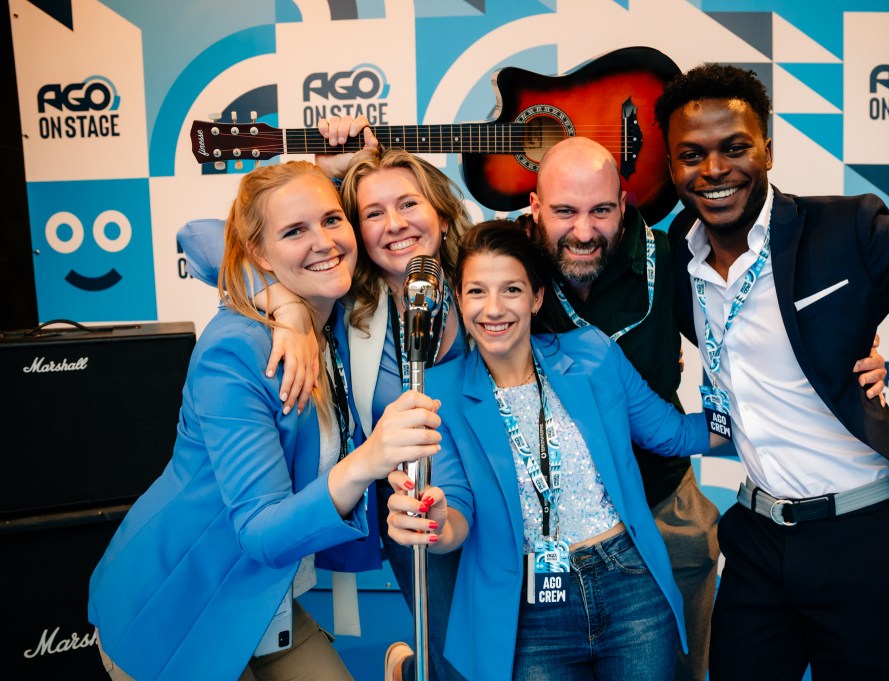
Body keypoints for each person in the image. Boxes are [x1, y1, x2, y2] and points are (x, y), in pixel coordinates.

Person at [653, 63, 889, 681]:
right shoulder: (673, 265)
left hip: (864, 537)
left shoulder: (847, 230)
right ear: (671, 167)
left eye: (735, 147)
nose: (714, 170)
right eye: (691, 154)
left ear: (768, 148)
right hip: (758, 539)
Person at [521, 135, 889, 681]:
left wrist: (856, 352)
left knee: (687, 671)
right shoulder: (503, 266)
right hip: (546, 527)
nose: (583, 231)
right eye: (564, 211)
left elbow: (765, 327)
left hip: (662, 502)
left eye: (601, 211)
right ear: (534, 206)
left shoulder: (671, 259)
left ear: (623, 206)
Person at [89, 161, 443, 681]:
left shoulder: (340, 313)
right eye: (295, 231)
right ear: (258, 253)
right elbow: (258, 531)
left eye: (331, 220)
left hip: (266, 602)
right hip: (179, 608)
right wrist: (370, 460)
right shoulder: (236, 350)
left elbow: (227, 249)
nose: (323, 241)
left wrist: (290, 305)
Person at [176, 116, 471, 681]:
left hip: (504, 499)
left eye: (409, 204)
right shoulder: (344, 303)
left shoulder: (478, 278)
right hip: (422, 513)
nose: (396, 224)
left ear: (440, 210)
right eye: (371, 213)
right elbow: (200, 234)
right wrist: (282, 304)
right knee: (453, 661)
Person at [386, 220, 712, 681]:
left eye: (512, 290)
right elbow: (456, 510)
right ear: (458, 299)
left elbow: (673, 434)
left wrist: (758, 415)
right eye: (477, 291)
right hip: (526, 608)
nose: (493, 309)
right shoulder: (437, 393)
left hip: (630, 587)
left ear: (537, 298)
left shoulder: (592, 354)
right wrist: (436, 519)